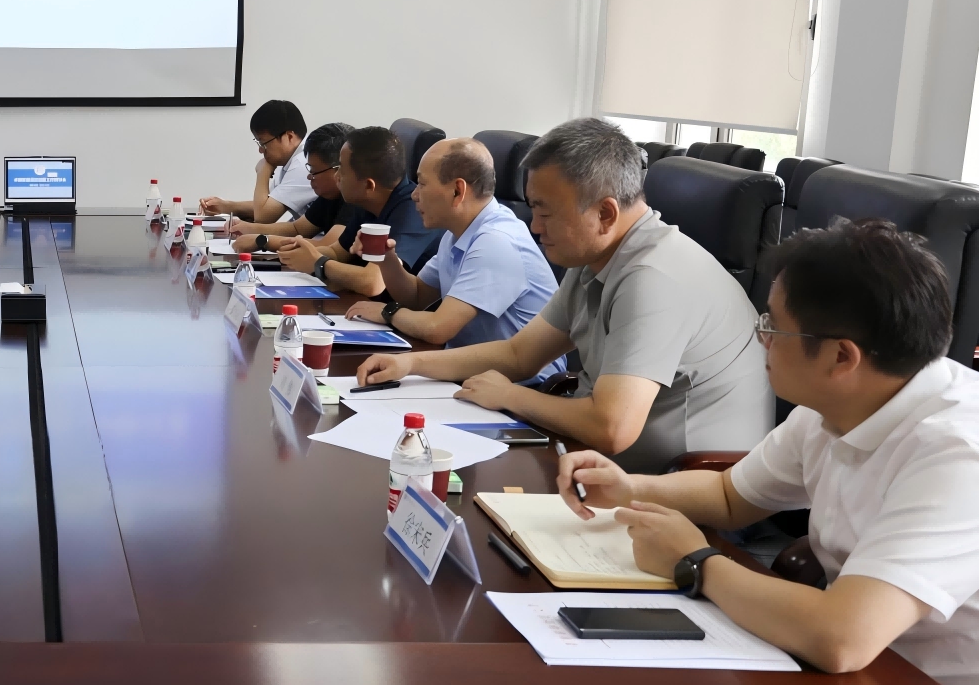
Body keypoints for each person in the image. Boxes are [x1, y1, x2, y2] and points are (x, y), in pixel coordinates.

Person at [556, 220, 979, 685]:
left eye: (773, 327)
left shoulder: (964, 456)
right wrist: (631, 487)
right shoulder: (838, 403)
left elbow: (843, 637)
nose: (762, 339)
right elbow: (730, 497)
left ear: (841, 357)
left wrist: (695, 562)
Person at [354, 117, 771, 470]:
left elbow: (612, 427)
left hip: (679, 489)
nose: (534, 227)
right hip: (600, 464)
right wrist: (410, 363)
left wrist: (510, 395)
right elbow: (519, 354)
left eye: (545, 212)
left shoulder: (654, 277)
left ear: (604, 213)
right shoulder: (595, 258)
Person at [344, 138, 561, 382]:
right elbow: (417, 296)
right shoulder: (457, 233)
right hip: (470, 375)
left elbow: (438, 328)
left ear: (457, 191)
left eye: (422, 184)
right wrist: (387, 259)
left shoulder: (497, 241)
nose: (414, 195)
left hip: (522, 390)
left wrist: (388, 312)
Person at [272, 125, 443, 297]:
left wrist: (318, 262)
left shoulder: (413, 211)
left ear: (368, 185)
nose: (337, 176)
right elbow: (337, 252)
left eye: (342, 170)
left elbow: (372, 282)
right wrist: (300, 253)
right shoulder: (368, 202)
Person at [225, 122, 352, 252]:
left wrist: (263, 241)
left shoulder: (354, 200)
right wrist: (248, 228)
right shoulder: (330, 196)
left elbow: (328, 248)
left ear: (339, 169)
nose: (309, 177)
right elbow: (297, 229)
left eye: (314, 171)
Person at [199, 99, 315, 222]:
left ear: (289, 137)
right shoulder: (293, 159)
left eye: (263, 143)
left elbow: (263, 217)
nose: (261, 150)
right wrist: (226, 206)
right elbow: (267, 204)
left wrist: (263, 171)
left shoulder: (303, 163)